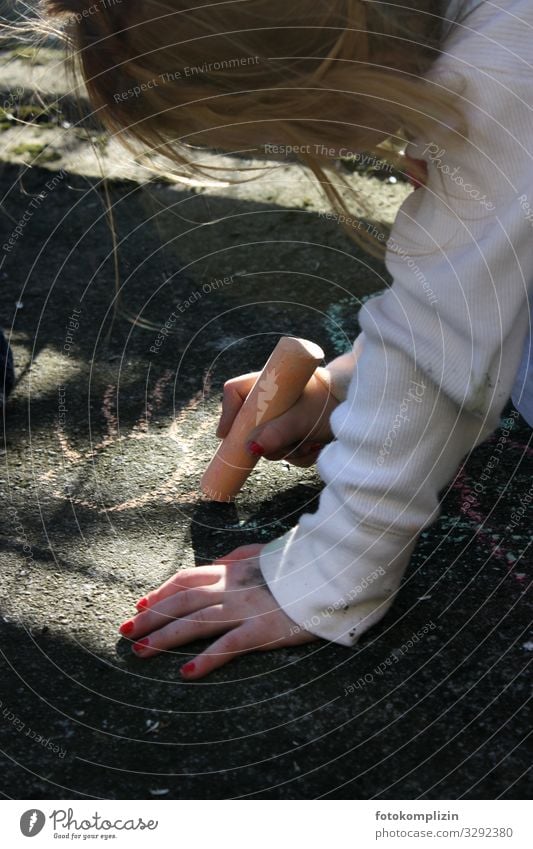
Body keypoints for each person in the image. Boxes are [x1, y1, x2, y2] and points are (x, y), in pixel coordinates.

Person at [39, 0, 532, 679]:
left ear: (348, 57)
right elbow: (484, 286)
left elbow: (443, 339)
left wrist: (329, 568)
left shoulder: (508, 61)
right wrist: (351, 388)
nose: (303, 150)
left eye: (297, 127)